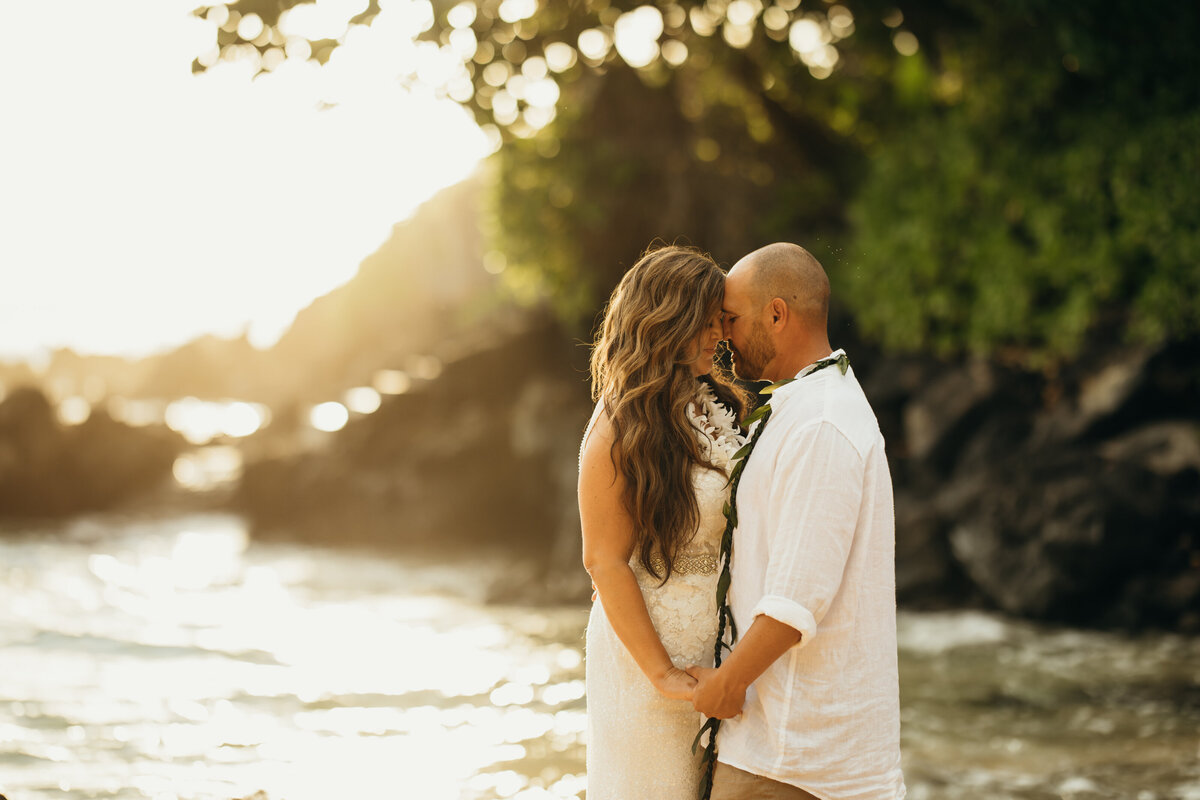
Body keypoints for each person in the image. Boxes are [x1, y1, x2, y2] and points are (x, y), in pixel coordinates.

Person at [688, 243, 906, 800]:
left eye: (732, 319)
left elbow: (798, 597)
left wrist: (725, 685)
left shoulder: (821, 425)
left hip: (795, 763)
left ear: (778, 314)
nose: (724, 335)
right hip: (790, 749)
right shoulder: (808, 406)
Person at [580, 244, 749, 799]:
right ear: (665, 319)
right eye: (704, 321)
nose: (718, 336)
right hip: (650, 651)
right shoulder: (616, 427)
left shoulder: (711, 403)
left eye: (719, 321)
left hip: (722, 644)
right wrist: (661, 673)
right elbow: (603, 560)